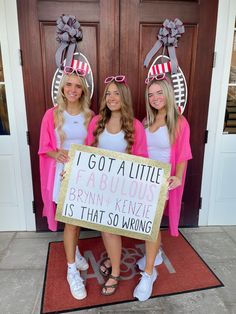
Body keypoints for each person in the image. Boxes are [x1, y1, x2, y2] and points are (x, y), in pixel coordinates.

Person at [85, 75, 148, 296]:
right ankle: (113, 261)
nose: (112, 97)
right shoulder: (96, 122)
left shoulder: (135, 126)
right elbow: (87, 154)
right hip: (100, 187)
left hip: (122, 189)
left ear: (125, 97)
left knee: (110, 229)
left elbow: (142, 160)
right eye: (108, 93)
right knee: (105, 227)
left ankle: (115, 273)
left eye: (117, 93)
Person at [133, 73, 192, 301]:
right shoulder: (146, 121)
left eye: (159, 93)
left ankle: (149, 274)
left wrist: (178, 176)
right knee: (149, 223)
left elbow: (183, 154)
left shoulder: (179, 121)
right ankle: (155, 254)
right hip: (144, 178)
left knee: (150, 224)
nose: (155, 98)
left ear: (167, 93)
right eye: (151, 94)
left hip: (162, 181)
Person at [38, 68, 94, 300]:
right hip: (62, 174)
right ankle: (71, 269)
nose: (72, 89)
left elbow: (94, 146)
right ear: (62, 87)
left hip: (83, 173)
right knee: (70, 221)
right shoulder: (51, 115)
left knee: (77, 218)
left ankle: (76, 252)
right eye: (68, 84)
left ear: (83, 90)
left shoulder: (90, 116)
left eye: (77, 85)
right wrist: (57, 153)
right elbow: (43, 147)